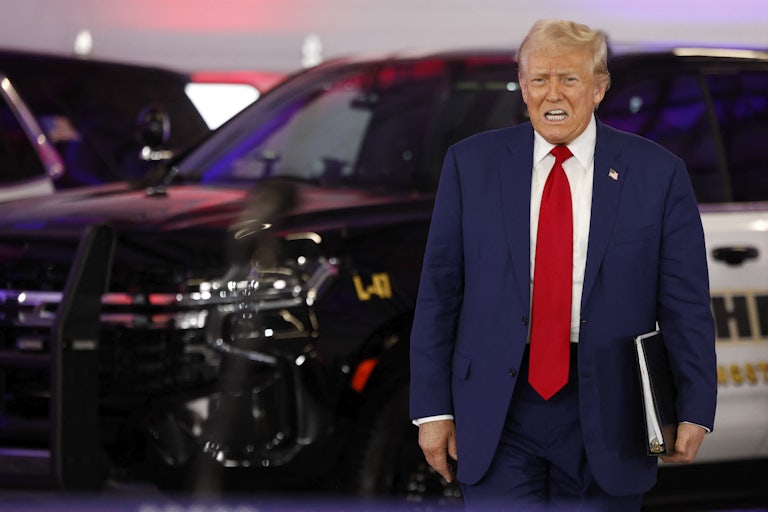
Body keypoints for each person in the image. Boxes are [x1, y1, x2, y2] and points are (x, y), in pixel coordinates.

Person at [409, 18, 717, 511]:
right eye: (539, 79)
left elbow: (686, 303)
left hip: (610, 410)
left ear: (599, 88)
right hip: (497, 405)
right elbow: (439, 293)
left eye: (569, 78)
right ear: (523, 85)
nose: (552, 93)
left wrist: (695, 406)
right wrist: (431, 409)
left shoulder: (657, 173)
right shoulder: (471, 165)